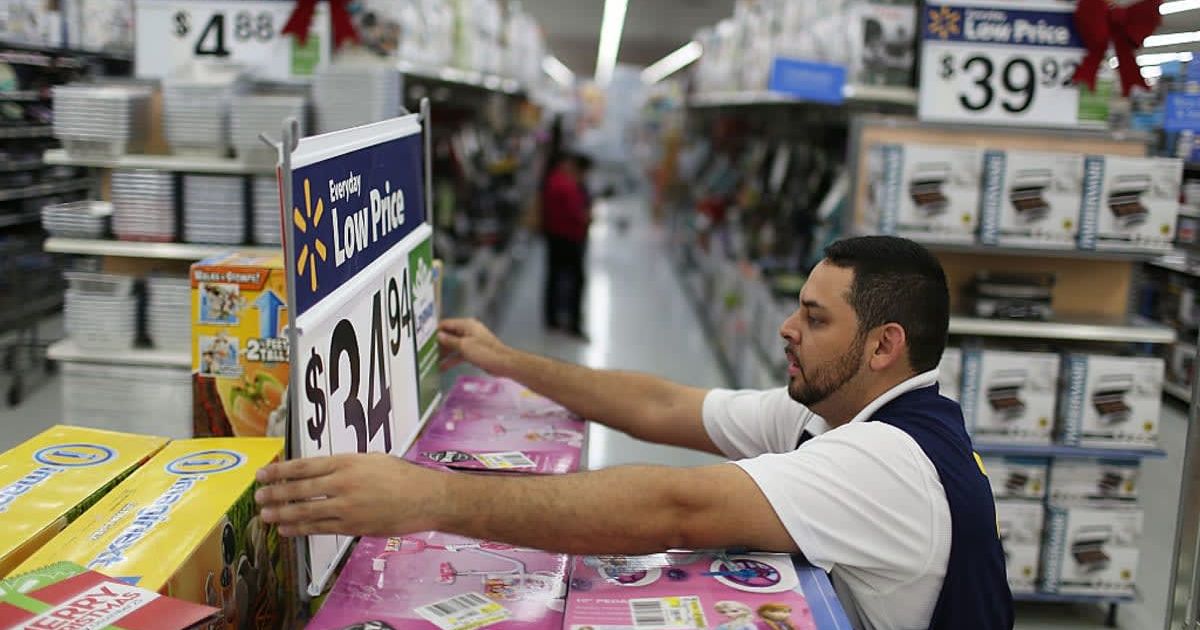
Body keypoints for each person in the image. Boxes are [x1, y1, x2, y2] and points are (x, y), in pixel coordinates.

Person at [256, 236, 1014, 630]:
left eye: (816, 319)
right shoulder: (838, 409)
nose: (787, 329)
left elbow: (674, 510)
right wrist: (508, 359)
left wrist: (427, 498)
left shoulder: (886, 462)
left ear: (883, 346)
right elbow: (661, 407)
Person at [541, 152, 593, 337]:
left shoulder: (554, 180)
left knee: (554, 277)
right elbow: (578, 214)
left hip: (555, 236)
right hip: (568, 238)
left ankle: (552, 319)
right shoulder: (565, 185)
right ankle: (573, 323)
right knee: (576, 280)